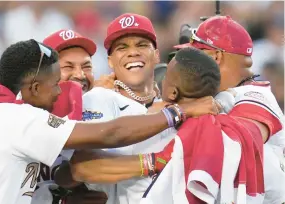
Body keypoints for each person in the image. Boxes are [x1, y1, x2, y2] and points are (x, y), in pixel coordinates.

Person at [0, 39, 215, 204]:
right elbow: (108, 134)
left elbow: (64, 173)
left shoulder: (1, 110)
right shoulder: (15, 117)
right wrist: (177, 113)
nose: (59, 92)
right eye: (55, 84)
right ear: (35, 87)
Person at [69, 47, 280, 204]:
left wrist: (156, 161)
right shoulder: (238, 136)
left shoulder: (147, 135)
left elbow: (81, 168)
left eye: (166, 75)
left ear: (171, 93)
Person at [54, 13, 221, 204]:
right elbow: (83, 167)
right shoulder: (99, 98)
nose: (133, 52)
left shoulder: (180, 102)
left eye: (142, 45)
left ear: (157, 55)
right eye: (122, 47)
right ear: (110, 61)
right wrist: (156, 161)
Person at [174, 15, 285, 204]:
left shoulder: (255, 94)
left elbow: (240, 139)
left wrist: (185, 111)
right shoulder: (217, 96)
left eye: (194, 55)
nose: (186, 66)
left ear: (216, 56)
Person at [30, 29, 107, 204]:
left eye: (86, 66)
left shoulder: (103, 112)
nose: (80, 75)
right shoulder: (22, 116)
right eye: (67, 67)